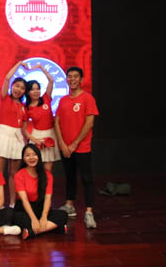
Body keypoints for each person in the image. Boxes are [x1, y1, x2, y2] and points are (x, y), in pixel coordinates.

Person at [54, 66, 100, 229]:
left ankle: (89, 212)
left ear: (81, 79)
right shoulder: (63, 100)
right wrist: (62, 143)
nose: (72, 79)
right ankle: (69, 205)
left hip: (81, 147)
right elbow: (57, 121)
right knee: (69, 177)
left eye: (75, 76)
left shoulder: (88, 98)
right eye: (70, 76)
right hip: (66, 148)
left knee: (87, 179)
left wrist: (74, 144)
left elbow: (89, 123)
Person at [0, 61, 28, 207]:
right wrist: (19, 64)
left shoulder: (24, 107)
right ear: (12, 86)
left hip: (17, 139)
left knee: (14, 174)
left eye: (22, 88)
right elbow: (7, 78)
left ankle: (12, 203)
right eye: (16, 86)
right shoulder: (5, 98)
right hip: (3, 135)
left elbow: (24, 128)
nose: (19, 89)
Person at [14, 144, 68, 240]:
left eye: (34, 154)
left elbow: (48, 198)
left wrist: (44, 216)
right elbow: (24, 200)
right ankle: (56, 228)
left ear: (39, 156)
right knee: (16, 218)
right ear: (23, 159)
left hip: (41, 207)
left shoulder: (47, 174)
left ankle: (32, 232)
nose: (31, 158)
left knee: (63, 214)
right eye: (27, 155)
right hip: (25, 208)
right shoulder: (19, 175)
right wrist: (34, 219)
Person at [22, 64, 60, 171]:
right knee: (35, 169)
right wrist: (35, 140)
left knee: (48, 169)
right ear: (28, 92)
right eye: (32, 89)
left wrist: (41, 67)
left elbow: (51, 81)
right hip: (37, 136)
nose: (36, 91)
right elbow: (24, 129)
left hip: (51, 134)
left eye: (37, 89)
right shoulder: (26, 108)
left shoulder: (46, 98)